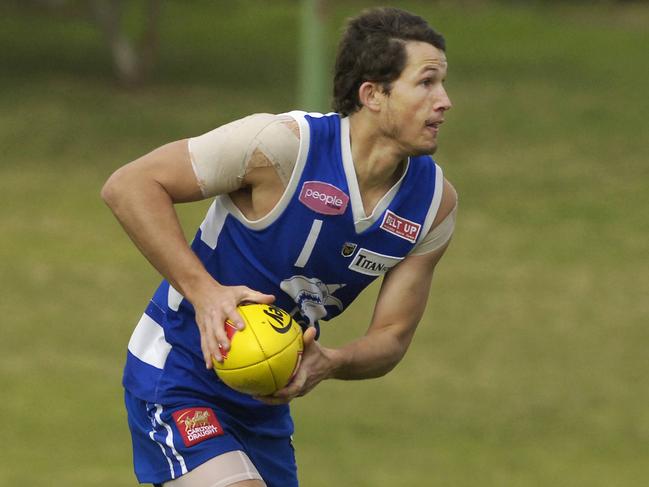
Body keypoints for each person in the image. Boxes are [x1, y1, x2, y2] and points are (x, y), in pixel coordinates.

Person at [102, 6, 457, 487]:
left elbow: (392, 335)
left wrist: (331, 363)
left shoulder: (432, 205)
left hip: (264, 405)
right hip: (177, 374)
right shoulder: (282, 146)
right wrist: (206, 294)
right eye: (427, 82)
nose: (445, 101)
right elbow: (130, 185)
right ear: (372, 94)